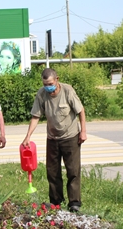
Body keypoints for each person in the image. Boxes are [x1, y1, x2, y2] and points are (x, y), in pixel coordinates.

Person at [21, 68, 87, 212]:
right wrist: (28, 136)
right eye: (45, 84)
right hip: (52, 138)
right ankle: (56, 202)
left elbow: (80, 111)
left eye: (50, 83)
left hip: (70, 137)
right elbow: (35, 116)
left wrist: (83, 131)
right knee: (52, 172)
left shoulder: (68, 91)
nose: (48, 87)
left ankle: (74, 203)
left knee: (73, 171)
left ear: (57, 79)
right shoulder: (41, 94)